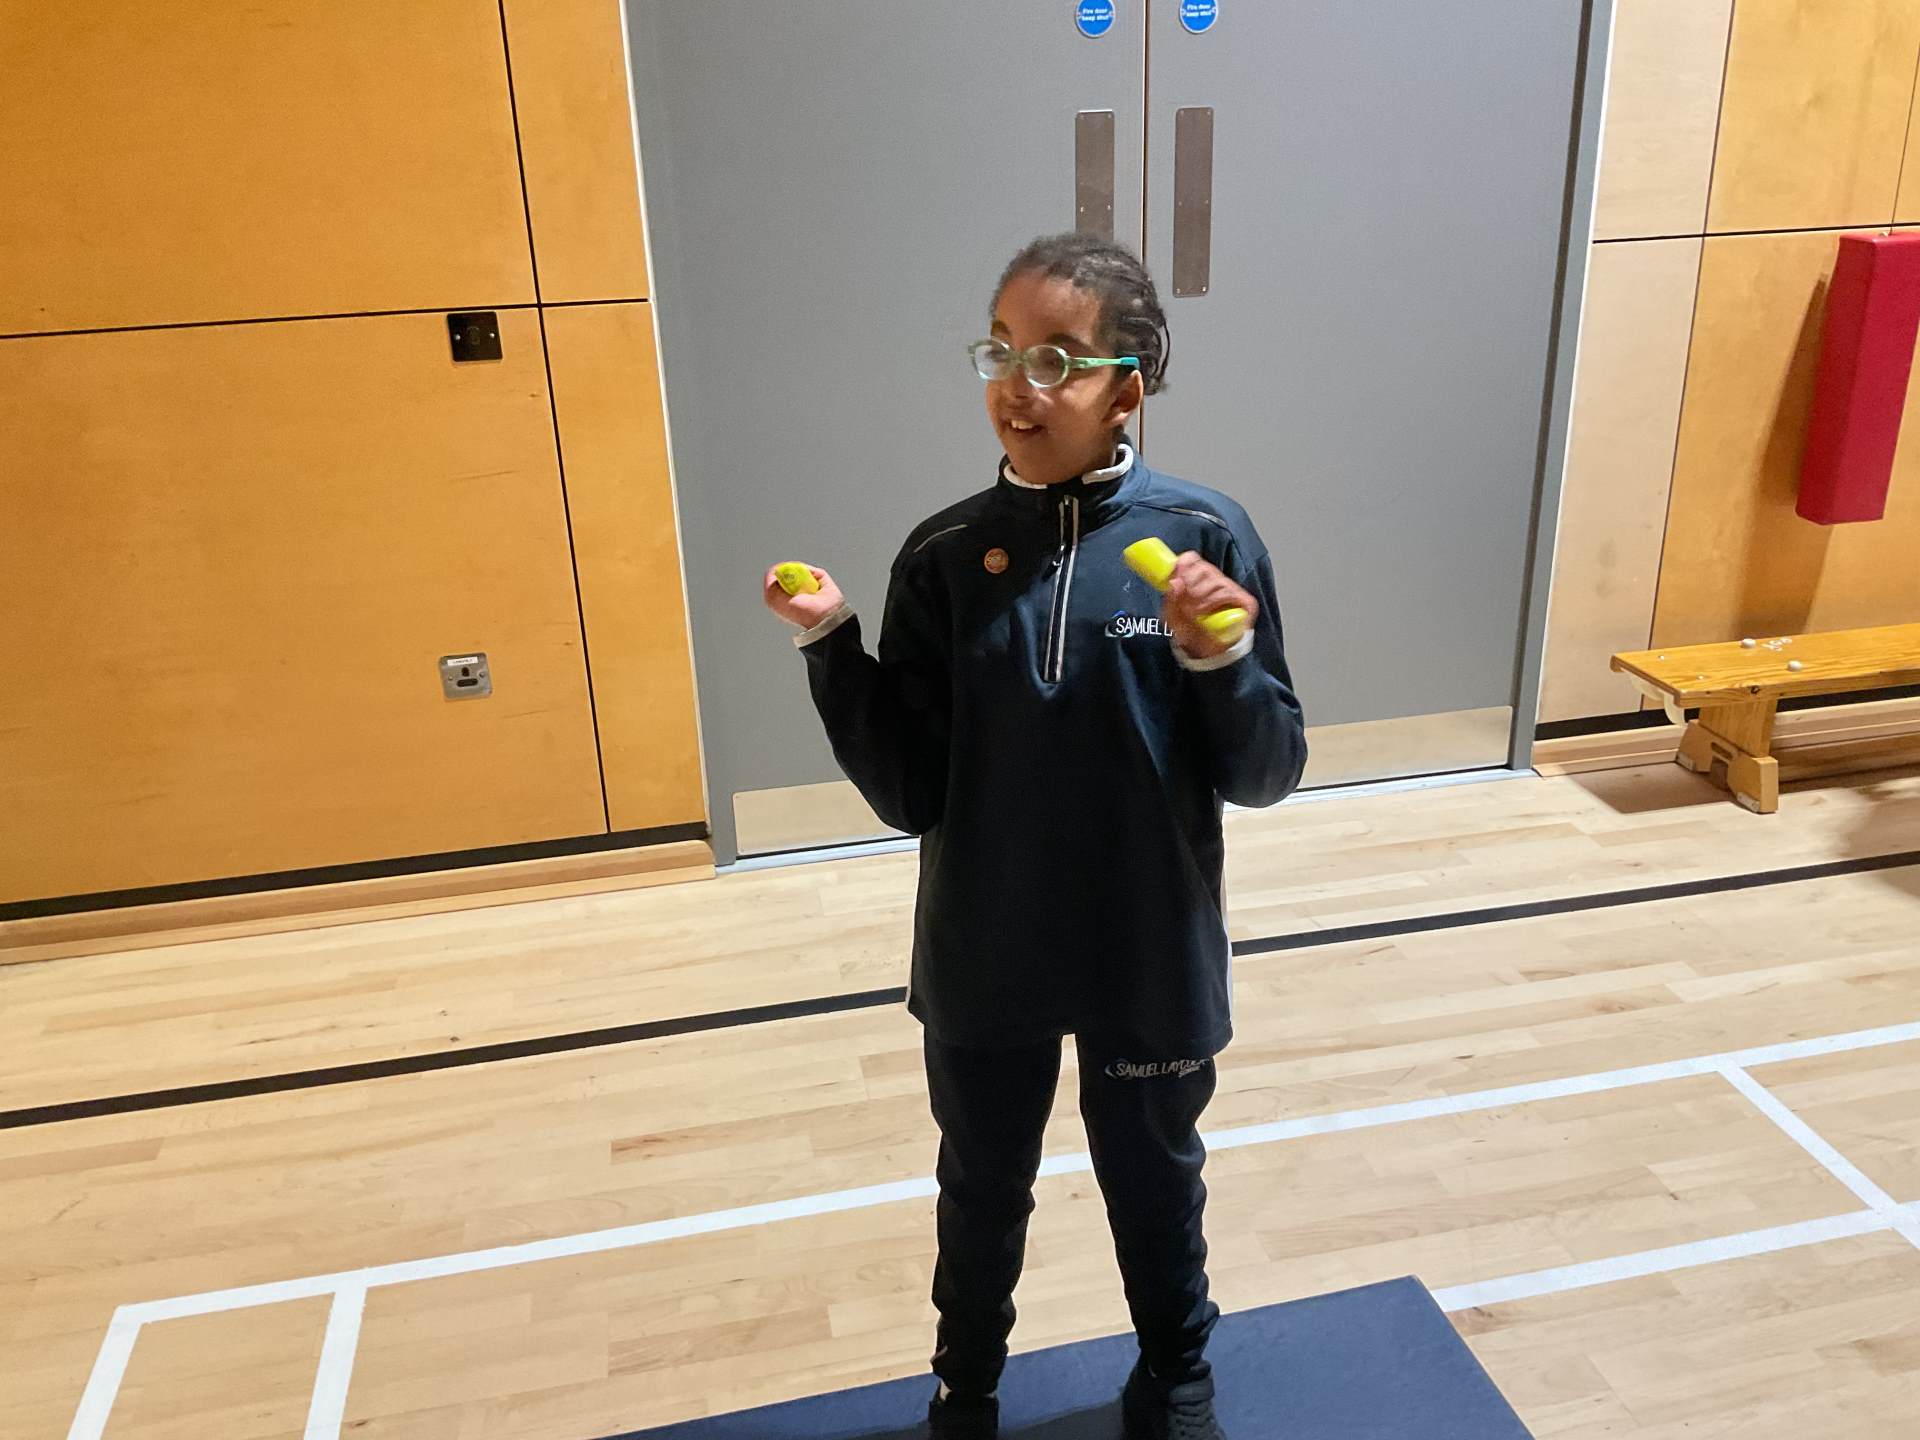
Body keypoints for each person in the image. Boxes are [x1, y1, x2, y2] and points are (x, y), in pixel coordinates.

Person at [762, 232, 1307, 1440]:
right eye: (1001, 351)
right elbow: (909, 791)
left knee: (1154, 1181)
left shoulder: (1206, 538)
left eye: (1056, 358)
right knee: (981, 1184)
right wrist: (832, 647)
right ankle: (964, 1390)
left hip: (1147, 943)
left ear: (1128, 387)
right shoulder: (944, 557)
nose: (1019, 384)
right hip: (986, 941)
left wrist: (1219, 659)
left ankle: (1177, 1377)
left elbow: (1269, 772)